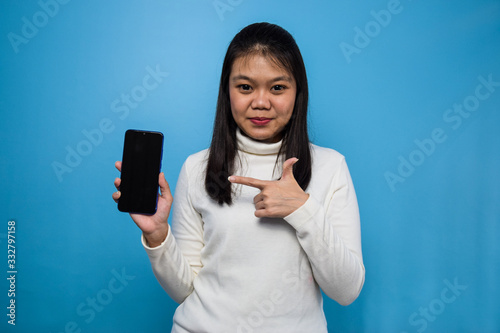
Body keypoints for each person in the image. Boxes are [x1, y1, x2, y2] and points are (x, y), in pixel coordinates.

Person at [113, 22, 364, 332]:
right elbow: (184, 291)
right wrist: (157, 236)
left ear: (298, 92)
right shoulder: (197, 168)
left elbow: (347, 291)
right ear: (227, 91)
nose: (260, 102)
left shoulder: (330, 167)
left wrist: (303, 209)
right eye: (245, 87)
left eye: (278, 87)